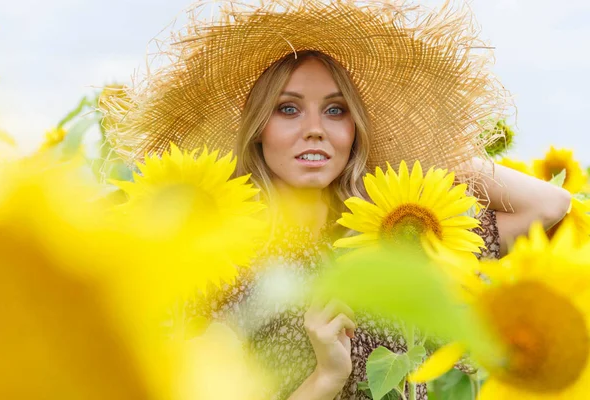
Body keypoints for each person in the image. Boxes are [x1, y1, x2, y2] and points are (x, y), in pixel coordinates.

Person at [101, 1, 572, 399]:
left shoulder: (399, 235)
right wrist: (326, 377)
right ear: (258, 129)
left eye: (335, 110)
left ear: (354, 129)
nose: (315, 128)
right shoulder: (225, 254)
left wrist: (433, 153)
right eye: (288, 109)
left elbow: (549, 206)